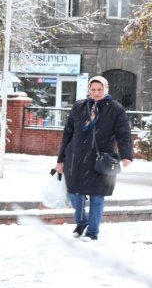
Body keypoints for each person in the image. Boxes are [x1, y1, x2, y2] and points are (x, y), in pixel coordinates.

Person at [55, 75, 133, 241]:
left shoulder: (116, 109)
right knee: (74, 193)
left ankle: (92, 232)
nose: (96, 93)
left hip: (101, 159)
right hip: (76, 157)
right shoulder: (79, 106)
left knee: (97, 197)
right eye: (93, 89)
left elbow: (124, 134)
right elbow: (67, 133)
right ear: (89, 90)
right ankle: (82, 221)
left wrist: (126, 155)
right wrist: (61, 159)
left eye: (100, 89)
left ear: (106, 89)